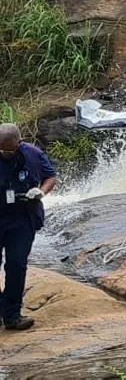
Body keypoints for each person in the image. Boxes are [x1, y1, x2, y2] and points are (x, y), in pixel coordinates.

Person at [0, 123, 56, 331]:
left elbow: (50, 177)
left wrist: (40, 192)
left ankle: (12, 316)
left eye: (8, 150)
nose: (4, 153)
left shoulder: (33, 154)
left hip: (23, 218)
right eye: (0, 149)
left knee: (16, 265)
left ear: (19, 143)